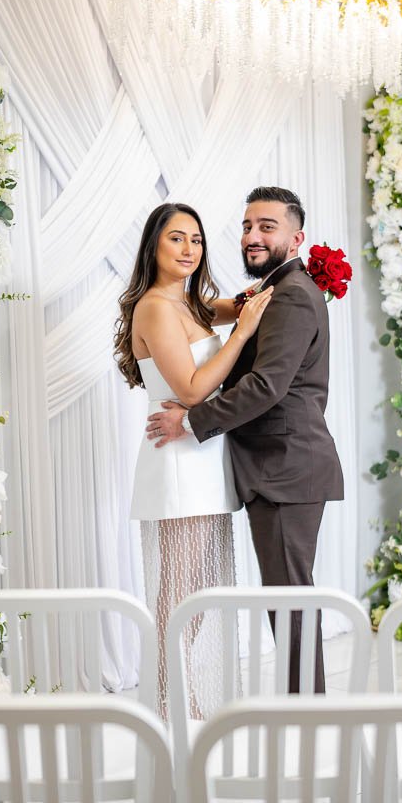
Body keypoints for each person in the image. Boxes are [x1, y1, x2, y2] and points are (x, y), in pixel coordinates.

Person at [145, 187, 343, 693]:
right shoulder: (267, 291)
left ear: (296, 237)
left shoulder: (292, 294)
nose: (252, 236)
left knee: (290, 599)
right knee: (283, 596)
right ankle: (301, 711)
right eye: (248, 225)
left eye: (267, 227)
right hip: (271, 467)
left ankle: (309, 717)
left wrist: (189, 421)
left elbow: (267, 385)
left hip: (287, 466)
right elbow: (199, 311)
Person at [115, 202, 273, 717]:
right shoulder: (157, 307)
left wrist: (303, 270)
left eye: (197, 240)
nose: (189, 249)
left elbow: (241, 300)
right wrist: (243, 333)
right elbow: (191, 388)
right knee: (180, 590)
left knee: (199, 587)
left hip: (203, 456)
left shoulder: (191, 303)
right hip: (178, 459)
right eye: (177, 239)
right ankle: (168, 702)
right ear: (153, 247)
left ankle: (180, 695)